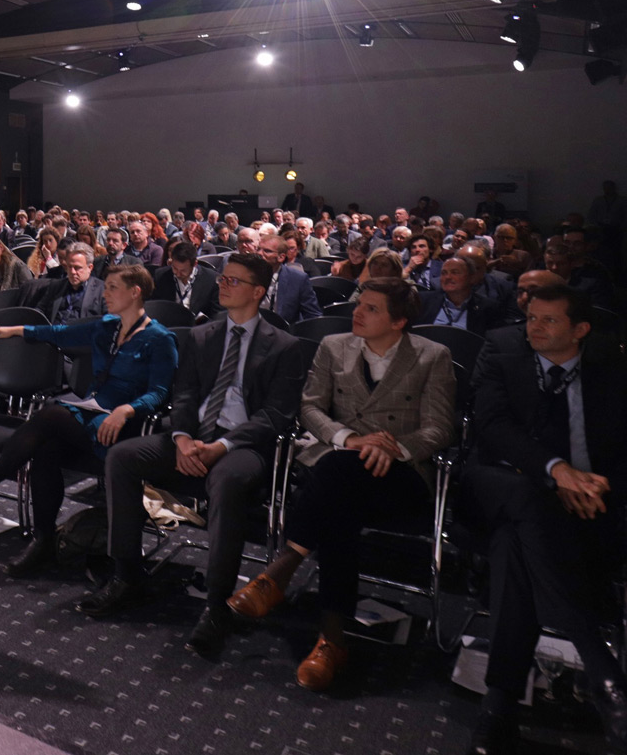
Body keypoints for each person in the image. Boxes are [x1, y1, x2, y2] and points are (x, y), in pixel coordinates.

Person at [227, 278, 454, 690]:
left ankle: (282, 569)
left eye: (371, 308)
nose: (357, 312)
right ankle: (331, 640)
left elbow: (439, 427)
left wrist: (395, 449)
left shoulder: (431, 356)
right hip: (340, 460)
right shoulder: (334, 346)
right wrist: (349, 439)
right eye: (359, 304)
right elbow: (310, 407)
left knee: (335, 482)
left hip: (398, 473)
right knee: (340, 501)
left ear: (399, 321)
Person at [84, 253, 305, 655]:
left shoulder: (285, 346)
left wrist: (221, 446)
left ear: (258, 292)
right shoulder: (202, 335)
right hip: (193, 434)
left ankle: (217, 604)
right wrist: (184, 438)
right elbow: (183, 394)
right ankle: (127, 575)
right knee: (122, 457)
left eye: (234, 281)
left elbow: (275, 415)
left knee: (226, 479)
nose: (223, 285)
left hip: (243, 444)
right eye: (223, 278)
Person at [459, 285, 626, 755]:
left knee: (513, 548)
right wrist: (557, 473)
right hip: (497, 487)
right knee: (526, 497)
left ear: (580, 330)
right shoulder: (503, 352)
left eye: (549, 320)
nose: (534, 327)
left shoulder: (610, 369)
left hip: (578, 509)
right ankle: (598, 662)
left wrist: (597, 486)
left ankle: (499, 706)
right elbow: (493, 428)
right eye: (531, 317)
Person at [0, 265, 177, 575]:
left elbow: (160, 393)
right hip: (91, 414)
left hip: (122, 428)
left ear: (135, 293)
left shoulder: (160, 339)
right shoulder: (108, 326)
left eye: (112, 288)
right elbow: (59, 333)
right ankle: (43, 539)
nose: (105, 293)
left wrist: (127, 410)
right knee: (45, 448)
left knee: (51, 414)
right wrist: (17, 330)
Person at [21, 242, 105, 323]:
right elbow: (39, 312)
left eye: (77, 268)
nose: (72, 272)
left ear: (90, 267)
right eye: (69, 267)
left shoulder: (102, 291)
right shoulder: (56, 287)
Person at [153, 239, 220, 320]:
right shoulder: (160, 276)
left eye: (183, 271)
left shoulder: (210, 279)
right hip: (169, 322)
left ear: (195, 264)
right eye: (175, 268)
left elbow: (217, 313)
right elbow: (154, 306)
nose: (178, 274)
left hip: (199, 325)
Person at [261, 234, 321, 323]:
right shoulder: (245, 275)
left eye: (267, 251)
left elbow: (313, 315)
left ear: (281, 257)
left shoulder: (297, 279)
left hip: (284, 329)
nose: (259, 253)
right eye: (258, 249)